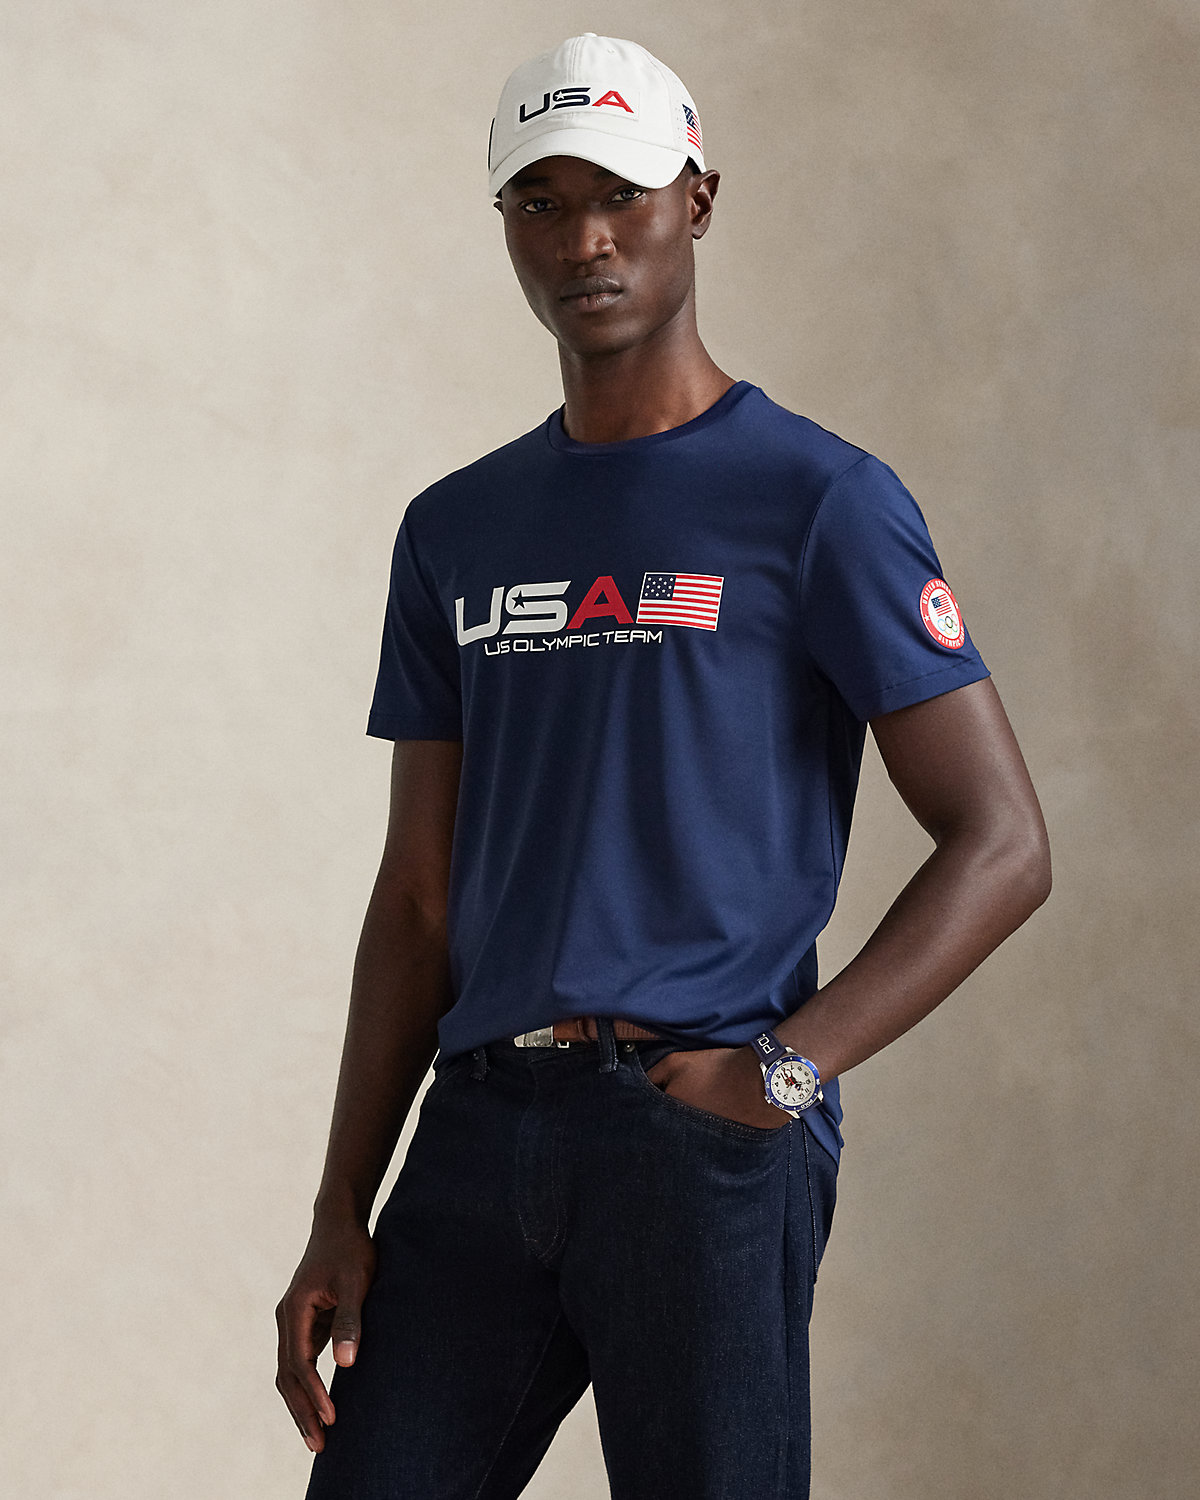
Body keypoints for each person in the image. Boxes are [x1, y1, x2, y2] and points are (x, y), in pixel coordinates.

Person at [275, 31, 1052, 1500]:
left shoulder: (819, 499)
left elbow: (1003, 841)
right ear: (505, 225)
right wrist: (340, 1207)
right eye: (542, 202)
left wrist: (785, 1070)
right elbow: (419, 898)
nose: (584, 240)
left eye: (619, 196)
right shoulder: (455, 530)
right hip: (480, 1133)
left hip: (697, 1136)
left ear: (697, 199)